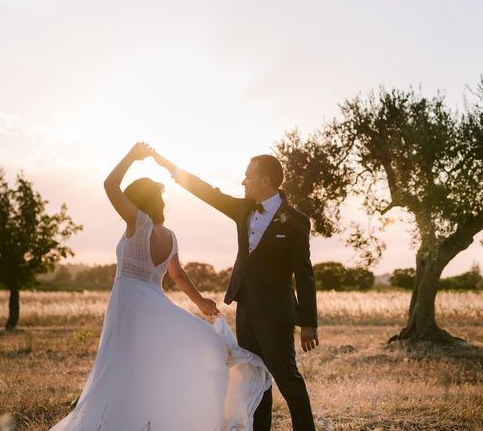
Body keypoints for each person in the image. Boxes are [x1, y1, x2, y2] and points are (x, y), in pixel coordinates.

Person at [50, 142, 271, 431]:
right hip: (153, 302)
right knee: (146, 367)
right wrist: (200, 301)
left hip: (128, 303)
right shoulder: (170, 236)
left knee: (118, 367)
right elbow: (178, 275)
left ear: (136, 201)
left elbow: (109, 184)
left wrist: (131, 155)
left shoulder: (137, 222)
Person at [150, 147, 319, 431]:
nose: (243, 182)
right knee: (255, 373)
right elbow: (208, 192)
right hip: (246, 306)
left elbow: (305, 273)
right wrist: (168, 165)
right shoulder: (243, 209)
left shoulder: (296, 221)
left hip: (277, 311)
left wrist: (308, 322)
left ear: (266, 181)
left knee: (285, 374)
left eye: (248, 177)